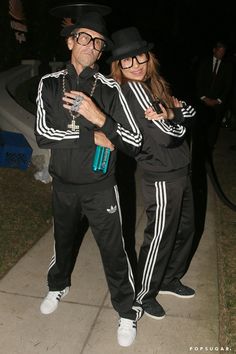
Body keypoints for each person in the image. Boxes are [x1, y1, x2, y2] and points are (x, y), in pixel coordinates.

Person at [35, 12, 143, 347]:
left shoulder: (112, 89)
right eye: (84, 37)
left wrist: (102, 121)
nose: (90, 45)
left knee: (114, 251)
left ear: (100, 52)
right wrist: (90, 135)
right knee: (62, 242)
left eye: (97, 42)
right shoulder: (50, 83)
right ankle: (58, 286)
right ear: (70, 41)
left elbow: (131, 140)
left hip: (100, 186)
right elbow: (42, 133)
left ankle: (127, 310)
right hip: (64, 185)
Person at [108, 26, 196, 320]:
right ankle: (144, 295)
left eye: (139, 57)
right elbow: (167, 137)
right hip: (160, 174)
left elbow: (190, 114)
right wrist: (177, 118)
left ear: (148, 56)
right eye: (126, 61)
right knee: (159, 236)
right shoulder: (131, 89)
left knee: (185, 230)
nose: (135, 65)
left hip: (181, 169)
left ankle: (170, 279)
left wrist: (174, 115)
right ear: (118, 65)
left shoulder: (154, 85)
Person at [194, 40, 233, 151]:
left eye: (223, 52)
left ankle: (210, 146)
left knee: (214, 126)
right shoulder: (204, 62)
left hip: (218, 102)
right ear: (214, 50)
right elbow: (198, 81)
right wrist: (204, 98)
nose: (222, 54)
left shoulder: (228, 66)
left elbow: (228, 86)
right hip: (203, 101)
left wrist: (219, 100)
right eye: (220, 51)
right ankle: (200, 144)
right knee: (201, 123)